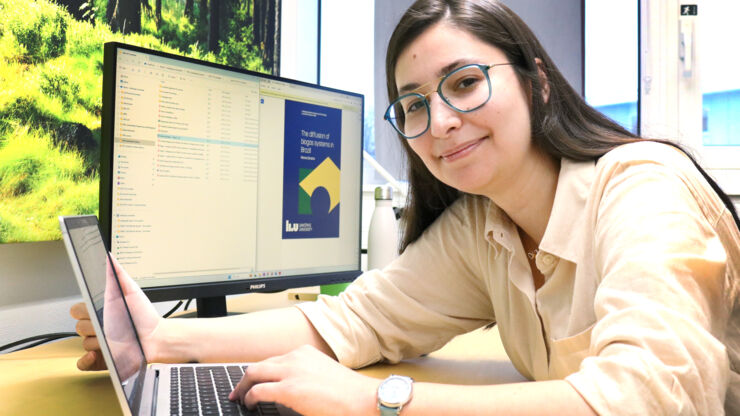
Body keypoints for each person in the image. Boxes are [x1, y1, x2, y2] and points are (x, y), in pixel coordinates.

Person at [71, 0, 740, 414]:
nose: (440, 122)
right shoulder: (483, 227)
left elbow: (652, 402)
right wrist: (159, 341)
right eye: (415, 105)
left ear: (536, 83)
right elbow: (353, 322)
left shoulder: (642, 188)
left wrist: (375, 403)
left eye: (466, 83)